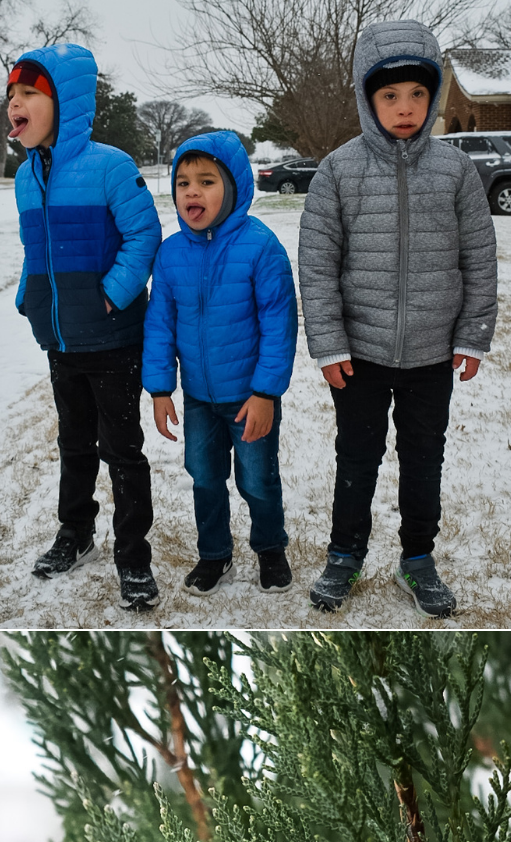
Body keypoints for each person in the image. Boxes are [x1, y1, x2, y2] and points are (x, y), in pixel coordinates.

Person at [300, 19, 496, 617]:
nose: (405, 108)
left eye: (417, 94)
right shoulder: (338, 171)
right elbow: (317, 265)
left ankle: (418, 559)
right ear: (367, 98)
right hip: (359, 355)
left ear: (433, 96)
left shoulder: (456, 172)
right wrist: (330, 346)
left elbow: (478, 257)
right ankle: (344, 555)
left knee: (423, 458)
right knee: (357, 456)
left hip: (432, 355)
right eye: (390, 95)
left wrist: (472, 335)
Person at [9, 44, 166, 610]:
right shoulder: (27, 178)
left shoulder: (109, 166)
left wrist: (111, 296)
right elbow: (35, 250)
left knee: (121, 450)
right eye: (12, 95)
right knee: (74, 443)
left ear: (65, 103)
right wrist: (29, 297)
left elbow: (144, 238)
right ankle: (75, 533)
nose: (15, 104)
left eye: (29, 93)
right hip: (60, 339)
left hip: (112, 339)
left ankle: (133, 558)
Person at [144, 132, 299, 597]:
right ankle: (214, 555)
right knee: (205, 479)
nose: (192, 191)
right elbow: (159, 325)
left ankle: (270, 550)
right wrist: (159, 389)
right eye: (183, 182)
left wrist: (266, 393)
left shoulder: (260, 246)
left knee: (257, 481)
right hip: (197, 399)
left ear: (233, 188)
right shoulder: (171, 254)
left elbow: (279, 323)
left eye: (207, 181)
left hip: (249, 396)